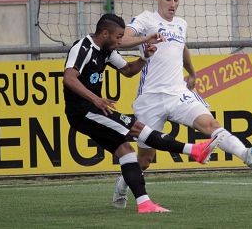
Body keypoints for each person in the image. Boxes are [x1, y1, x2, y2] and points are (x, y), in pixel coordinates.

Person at [112, 0, 252, 208]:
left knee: (211, 125)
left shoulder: (181, 24)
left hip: (178, 93)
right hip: (151, 99)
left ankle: (246, 154)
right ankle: (122, 184)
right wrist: (146, 38)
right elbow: (122, 38)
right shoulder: (146, 19)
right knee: (145, 160)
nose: (172, 4)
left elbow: (182, 47)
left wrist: (193, 72)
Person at [63, 13, 219, 213]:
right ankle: (194, 150)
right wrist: (95, 99)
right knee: (138, 128)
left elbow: (128, 70)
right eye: (118, 36)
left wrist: (145, 57)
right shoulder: (82, 47)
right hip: (83, 111)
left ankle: (144, 203)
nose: (121, 41)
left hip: (93, 109)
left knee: (126, 151)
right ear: (104, 33)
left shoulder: (106, 50)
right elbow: (69, 78)